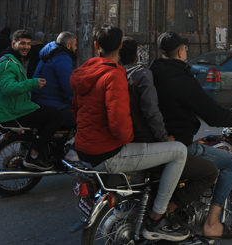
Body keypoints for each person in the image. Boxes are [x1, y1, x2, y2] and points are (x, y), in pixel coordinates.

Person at [70, 25, 189, 242]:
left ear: (96, 46)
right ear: (120, 45)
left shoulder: (85, 71)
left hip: (84, 150)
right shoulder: (114, 74)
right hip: (108, 154)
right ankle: (158, 218)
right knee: (179, 151)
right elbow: (119, 125)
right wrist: (131, 140)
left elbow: (76, 110)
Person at [151, 31, 232, 240]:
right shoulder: (182, 79)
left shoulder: (152, 73)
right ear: (180, 52)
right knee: (230, 162)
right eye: (184, 48)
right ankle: (211, 223)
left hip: (157, 143)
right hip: (179, 145)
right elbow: (211, 113)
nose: (185, 51)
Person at [119, 37, 218, 221]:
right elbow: (151, 112)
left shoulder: (133, 73)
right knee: (206, 168)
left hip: (124, 141)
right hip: (144, 143)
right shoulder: (143, 75)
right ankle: (162, 213)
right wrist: (163, 139)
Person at [0, 30, 63, 170]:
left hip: (8, 106)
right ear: (13, 44)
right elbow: (7, 88)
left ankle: (31, 146)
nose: (26, 47)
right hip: (10, 110)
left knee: (43, 110)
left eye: (28, 44)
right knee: (57, 115)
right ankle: (34, 155)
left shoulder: (11, 59)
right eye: (22, 43)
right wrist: (33, 83)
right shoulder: (9, 64)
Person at [31, 31, 77, 129]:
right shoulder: (62, 57)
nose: (76, 48)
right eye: (75, 45)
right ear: (68, 45)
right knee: (87, 116)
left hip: (40, 99)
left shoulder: (51, 52)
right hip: (52, 103)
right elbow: (69, 87)